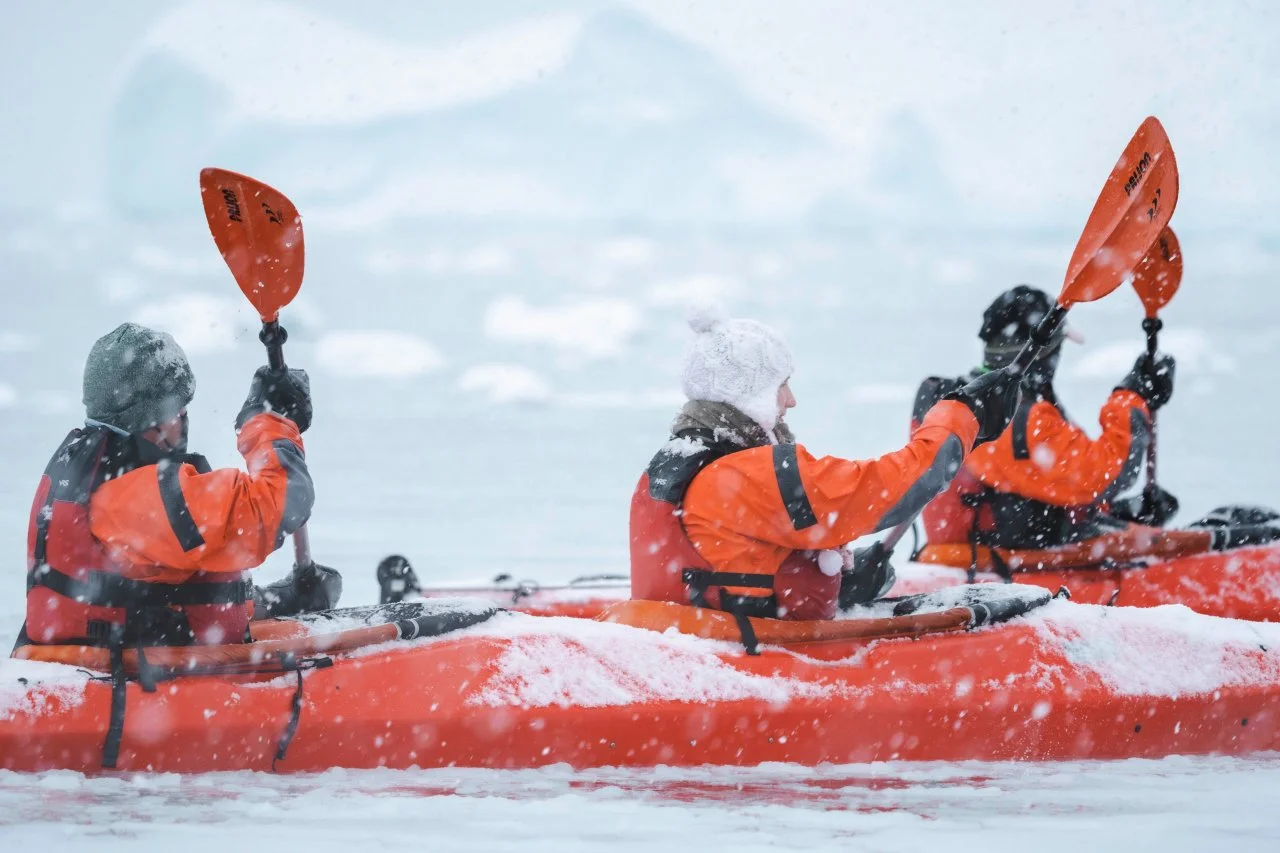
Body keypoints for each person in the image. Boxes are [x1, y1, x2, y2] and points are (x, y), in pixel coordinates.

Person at [629, 305, 1019, 622]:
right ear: (748, 394)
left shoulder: (683, 460)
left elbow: (740, 563)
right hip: (760, 670)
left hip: (700, 643)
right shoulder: (749, 475)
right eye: (780, 385)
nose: (791, 400)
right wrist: (960, 416)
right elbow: (897, 487)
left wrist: (843, 584)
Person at [17, 322, 341, 651]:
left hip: (125, 667)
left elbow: (172, 595)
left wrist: (282, 601)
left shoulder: (94, 474)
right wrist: (266, 419)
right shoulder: (135, 498)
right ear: (153, 418)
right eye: (180, 409)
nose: (185, 420)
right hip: (148, 688)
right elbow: (282, 500)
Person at [912, 285, 1174, 559]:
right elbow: (1104, 474)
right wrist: (1133, 397)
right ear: (1047, 355)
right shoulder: (1013, 418)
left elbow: (1042, 481)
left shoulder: (953, 398)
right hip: (1006, 567)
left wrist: (1118, 511)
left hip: (978, 556)